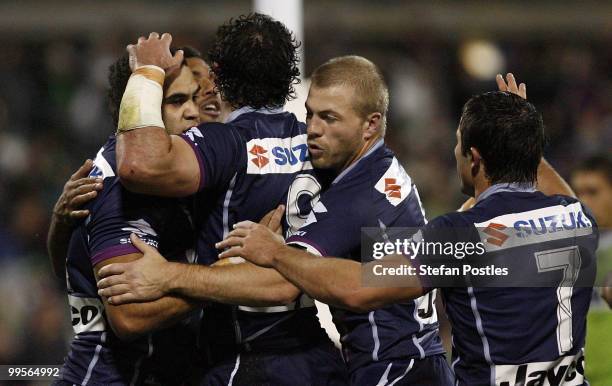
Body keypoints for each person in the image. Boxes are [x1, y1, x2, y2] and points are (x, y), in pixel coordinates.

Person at [215, 76, 599, 385]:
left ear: (475, 159)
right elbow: (550, 194)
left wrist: (277, 252)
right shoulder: (578, 220)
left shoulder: (463, 237)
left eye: (458, 144)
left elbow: (360, 286)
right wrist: (518, 131)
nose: (454, 154)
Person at [97, 14, 347, 385]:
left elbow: (138, 164)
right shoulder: (323, 148)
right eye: (179, 100)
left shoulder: (225, 144)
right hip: (320, 359)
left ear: (217, 75)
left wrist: (148, 70)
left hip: (244, 361)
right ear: (291, 74)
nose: (194, 111)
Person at [49, 52, 203, 386]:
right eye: (176, 101)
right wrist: (226, 280)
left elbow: (70, 267)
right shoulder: (118, 187)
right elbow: (129, 317)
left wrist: (60, 224)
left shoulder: (179, 173)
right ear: (141, 107)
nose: (193, 112)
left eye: (195, 98)